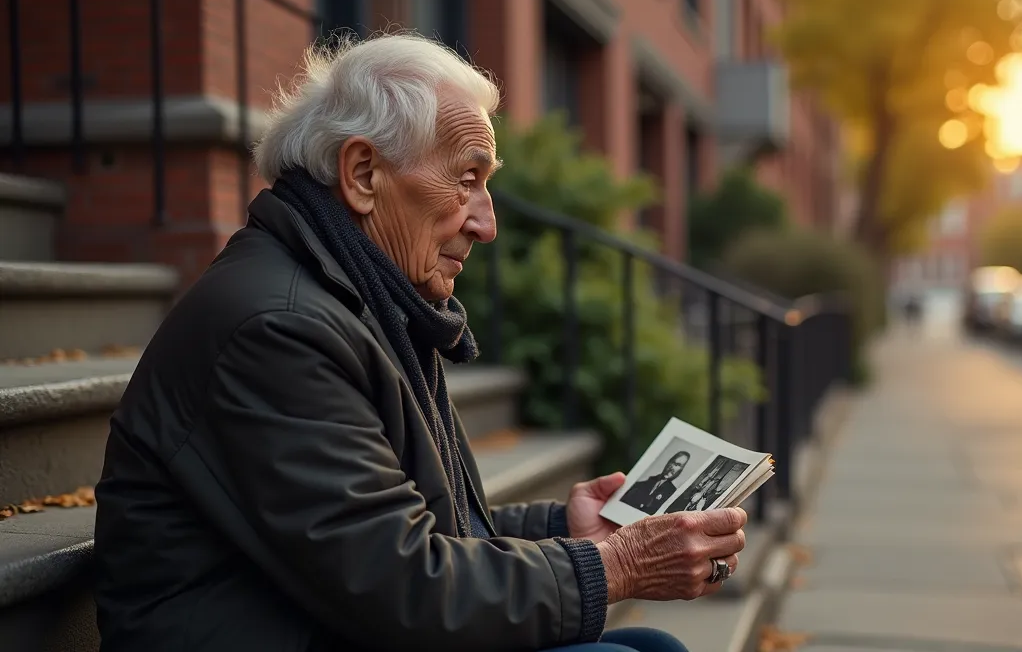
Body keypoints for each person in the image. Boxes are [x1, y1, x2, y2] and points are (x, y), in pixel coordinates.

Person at [91, 34, 746, 652]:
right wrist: (618, 564)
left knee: (649, 644)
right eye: (468, 178)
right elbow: (401, 587)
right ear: (363, 174)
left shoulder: (363, 298)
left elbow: (410, 539)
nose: (486, 223)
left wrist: (563, 532)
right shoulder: (277, 329)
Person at [620, 451, 689, 513]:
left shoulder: (672, 495)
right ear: (668, 463)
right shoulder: (639, 485)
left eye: (678, 465)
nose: (672, 468)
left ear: (681, 470)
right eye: (673, 463)